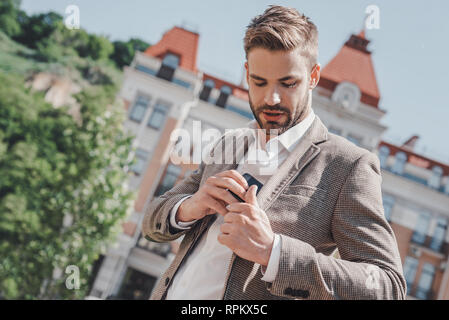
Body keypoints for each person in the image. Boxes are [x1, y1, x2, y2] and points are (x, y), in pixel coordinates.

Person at [142, 5, 407, 300]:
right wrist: (190, 207)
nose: (272, 98)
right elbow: (152, 220)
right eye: (259, 82)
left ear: (313, 77)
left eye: (288, 83)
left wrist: (274, 252)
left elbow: (387, 286)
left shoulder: (348, 167)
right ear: (246, 75)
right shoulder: (229, 144)